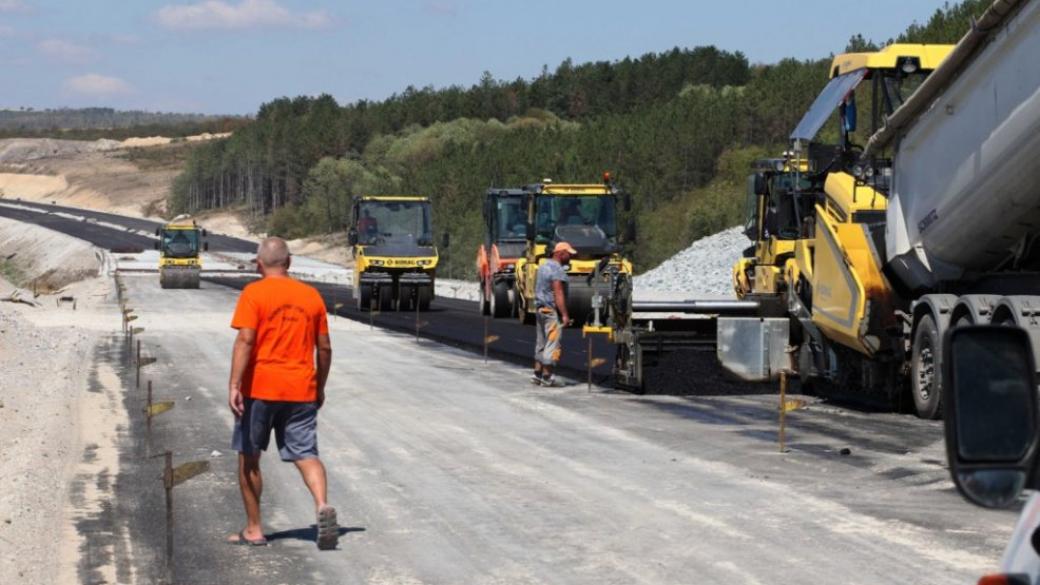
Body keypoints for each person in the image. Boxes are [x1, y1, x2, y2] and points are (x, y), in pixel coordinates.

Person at [226, 237, 338, 550]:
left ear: (258, 264)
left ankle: (254, 529)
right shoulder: (311, 296)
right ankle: (321, 504)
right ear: (289, 263)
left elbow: (246, 340)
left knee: (250, 458)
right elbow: (325, 347)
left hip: (259, 389)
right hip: (301, 389)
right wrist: (320, 386)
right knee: (306, 454)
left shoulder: (253, 293)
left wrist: (234, 384)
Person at [532, 241, 576, 387]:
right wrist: (564, 314)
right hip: (551, 311)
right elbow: (558, 292)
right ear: (560, 253)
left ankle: (537, 374)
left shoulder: (543, 266)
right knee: (552, 343)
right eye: (568, 253)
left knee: (541, 343)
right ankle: (547, 376)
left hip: (540, 309)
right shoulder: (557, 269)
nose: (570, 256)